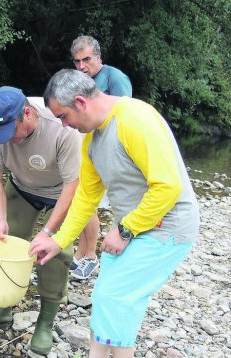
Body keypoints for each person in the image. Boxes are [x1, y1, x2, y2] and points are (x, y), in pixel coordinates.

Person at [29, 70, 199, 358]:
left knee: (118, 295)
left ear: (80, 102)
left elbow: (168, 186)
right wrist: (58, 240)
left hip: (169, 227)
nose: (64, 126)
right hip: (137, 225)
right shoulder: (92, 140)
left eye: (64, 117)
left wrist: (124, 229)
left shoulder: (136, 120)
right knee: (106, 289)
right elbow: (86, 200)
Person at [0, 86, 81, 355]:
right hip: (21, 187)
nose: (5, 140)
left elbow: (73, 186)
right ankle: (0, 308)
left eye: (10, 133)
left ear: (27, 114)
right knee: (5, 243)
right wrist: (0, 219)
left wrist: (48, 232)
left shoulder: (62, 128)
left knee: (53, 251)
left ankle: (45, 323)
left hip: (60, 192)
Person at [68, 35, 133, 280]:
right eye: (77, 61)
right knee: (81, 200)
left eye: (87, 59)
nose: (82, 66)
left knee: (89, 204)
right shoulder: (77, 82)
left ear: (98, 57)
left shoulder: (115, 78)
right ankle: (81, 254)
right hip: (85, 151)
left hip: (108, 153)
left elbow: (126, 115)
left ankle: (90, 257)